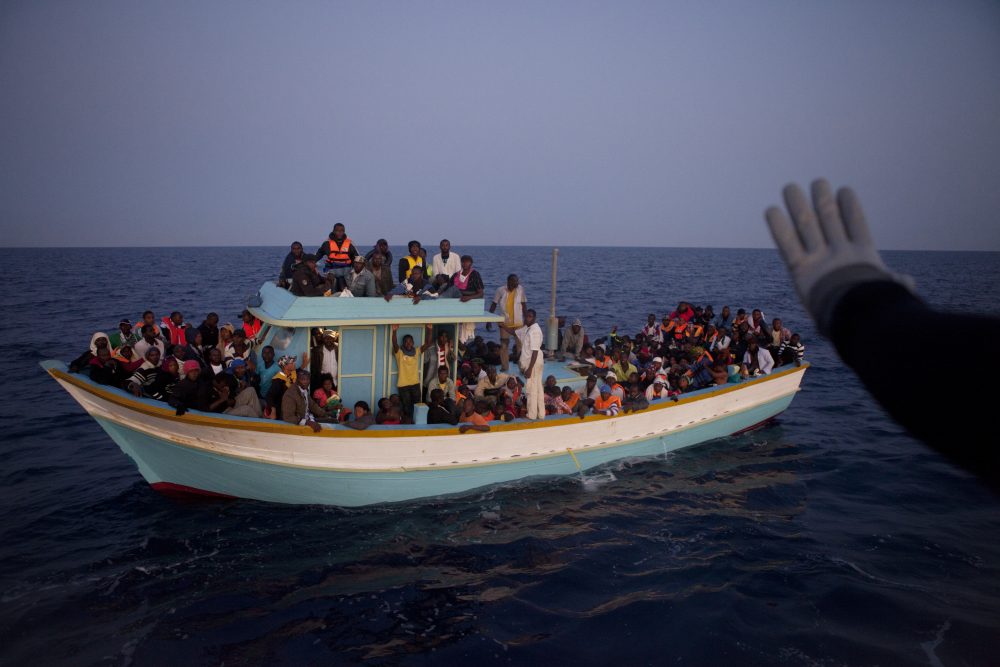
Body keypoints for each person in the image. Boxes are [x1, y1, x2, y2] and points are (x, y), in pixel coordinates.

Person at [501, 308, 544, 420]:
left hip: (533, 363)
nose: (527, 318)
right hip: (532, 362)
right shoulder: (527, 328)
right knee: (538, 388)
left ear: (534, 318)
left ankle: (532, 415)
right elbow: (514, 332)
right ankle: (541, 414)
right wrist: (503, 326)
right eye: (526, 316)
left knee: (531, 389)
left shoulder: (535, 331)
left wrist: (529, 369)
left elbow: (534, 351)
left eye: (529, 316)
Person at [391, 323, 434, 419]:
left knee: (417, 405)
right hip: (403, 385)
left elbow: (428, 343)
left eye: (410, 341)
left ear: (413, 342)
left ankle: (417, 423)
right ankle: (408, 424)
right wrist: (394, 331)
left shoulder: (417, 351)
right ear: (403, 343)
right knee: (407, 407)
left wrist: (430, 329)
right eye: (406, 342)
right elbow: (394, 343)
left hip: (415, 384)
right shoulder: (400, 353)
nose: (408, 343)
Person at [488, 274, 527, 372]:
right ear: (509, 281)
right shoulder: (500, 290)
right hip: (505, 323)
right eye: (514, 281)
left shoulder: (520, 289)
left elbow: (524, 304)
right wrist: (489, 320)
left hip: (518, 323)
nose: (517, 283)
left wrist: (526, 320)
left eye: (517, 281)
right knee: (504, 346)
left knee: (520, 347)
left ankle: (522, 367)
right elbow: (494, 304)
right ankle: (505, 367)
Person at [316, 223, 358, 291]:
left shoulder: (350, 244)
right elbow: (317, 256)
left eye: (341, 231)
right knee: (330, 284)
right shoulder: (326, 244)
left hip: (346, 270)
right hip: (331, 270)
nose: (339, 233)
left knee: (345, 284)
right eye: (337, 231)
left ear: (344, 232)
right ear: (333, 231)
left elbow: (357, 259)